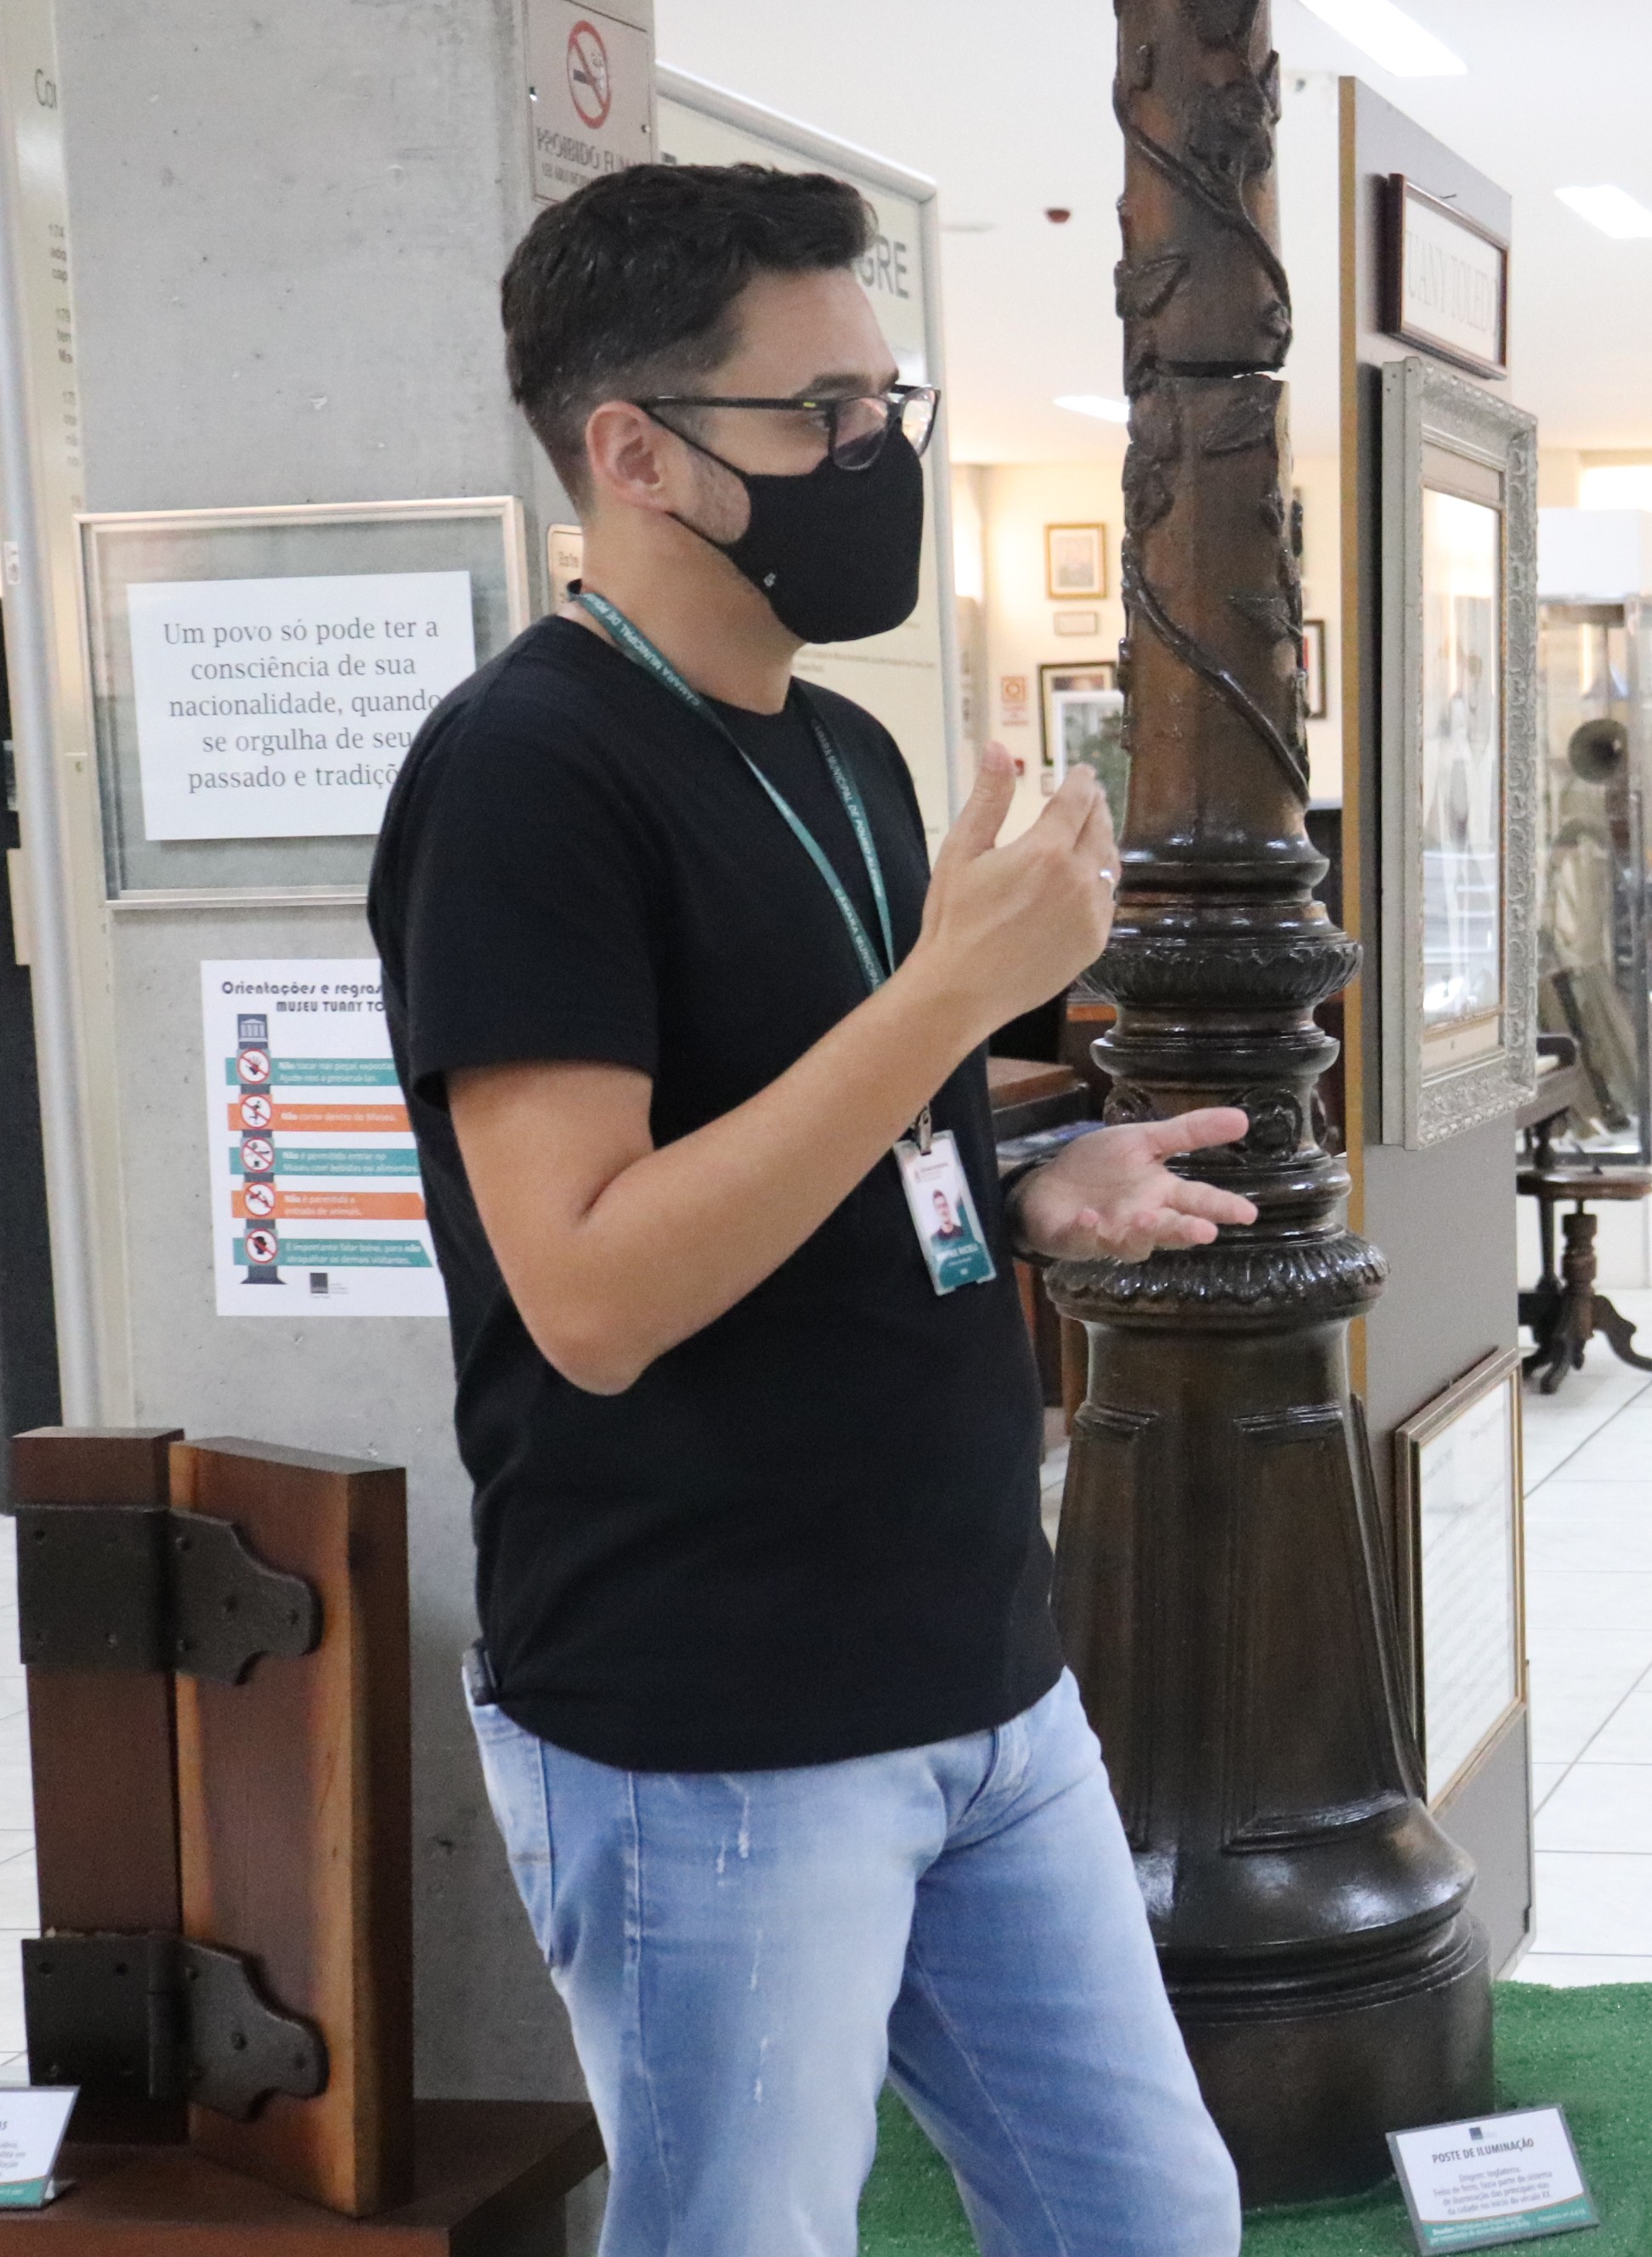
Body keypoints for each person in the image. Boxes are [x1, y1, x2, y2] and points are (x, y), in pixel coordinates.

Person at [367, 162, 1247, 2257]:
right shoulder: (523, 775)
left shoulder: (844, 748)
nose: (879, 455)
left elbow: (856, 1152)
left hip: (977, 1668)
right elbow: (586, 1284)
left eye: (888, 400)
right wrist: (954, 979)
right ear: (632, 448)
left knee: (1152, 2215)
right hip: (717, 1719)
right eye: (822, 413)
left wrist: (1037, 1187)